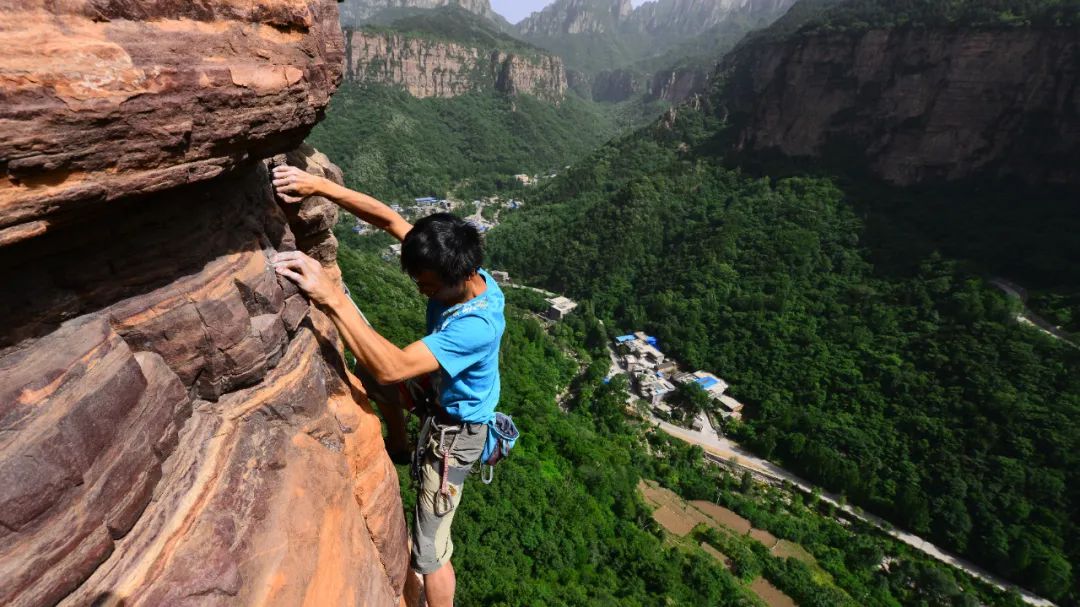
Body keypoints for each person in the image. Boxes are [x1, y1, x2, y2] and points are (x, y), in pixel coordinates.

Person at [270, 165, 505, 607]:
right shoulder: (457, 263)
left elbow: (394, 367)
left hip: (456, 434)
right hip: (436, 394)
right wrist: (320, 186)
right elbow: (387, 218)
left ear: (459, 276)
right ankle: (399, 444)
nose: (421, 292)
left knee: (430, 553)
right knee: (371, 377)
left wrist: (332, 297)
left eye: (429, 287)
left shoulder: (477, 325)